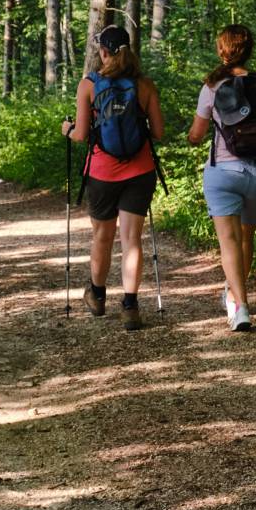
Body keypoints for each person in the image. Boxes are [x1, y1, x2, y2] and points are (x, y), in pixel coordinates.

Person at [61, 25, 166, 331]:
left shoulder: (89, 86)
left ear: (103, 52)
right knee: (132, 240)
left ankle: (97, 294)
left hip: (102, 172)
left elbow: (80, 135)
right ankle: (131, 306)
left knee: (102, 236)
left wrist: (65, 129)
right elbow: (158, 132)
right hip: (140, 171)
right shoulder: (144, 86)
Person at [186, 24, 256, 332]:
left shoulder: (212, 86)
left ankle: (240, 307)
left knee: (228, 241)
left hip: (224, 172)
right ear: (250, 50)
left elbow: (196, 134)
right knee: (246, 237)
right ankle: (233, 295)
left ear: (221, 50)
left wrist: (192, 138)